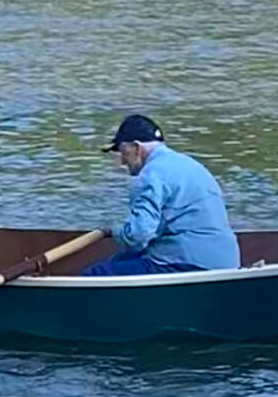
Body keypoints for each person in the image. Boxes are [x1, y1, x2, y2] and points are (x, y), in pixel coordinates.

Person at [84, 115, 240, 276]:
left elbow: (138, 236)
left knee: (96, 274)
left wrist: (115, 232)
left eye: (123, 152)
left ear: (137, 148)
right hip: (227, 261)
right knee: (120, 260)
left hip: (187, 263)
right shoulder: (190, 165)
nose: (123, 161)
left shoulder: (151, 174)